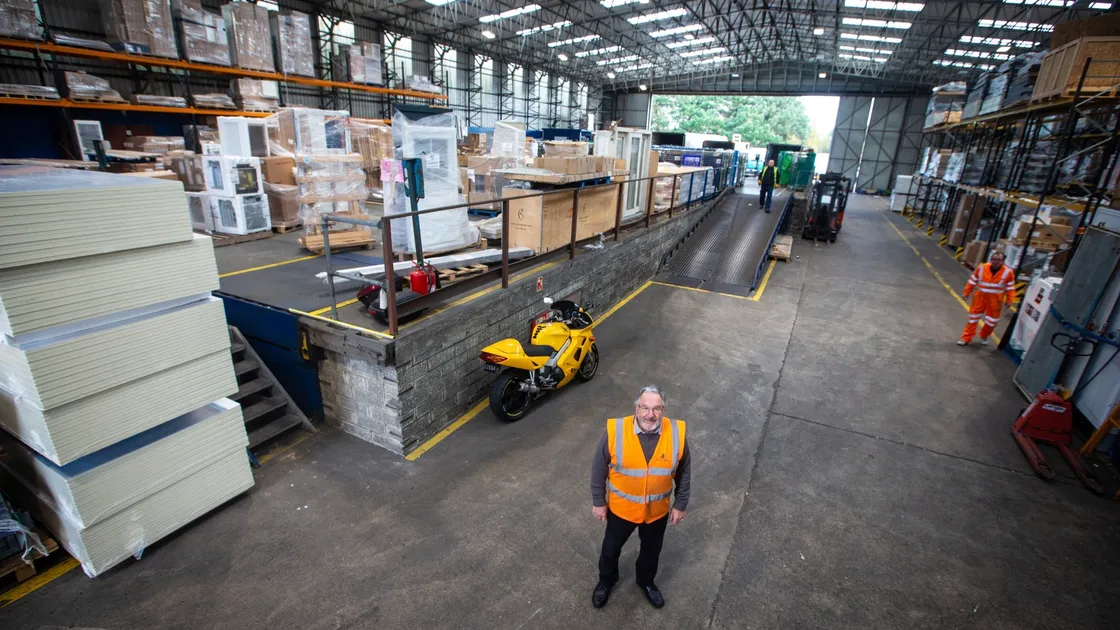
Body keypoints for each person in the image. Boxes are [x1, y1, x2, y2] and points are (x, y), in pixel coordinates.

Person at [590, 385, 690, 609]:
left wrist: (681, 504)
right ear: (636, 407)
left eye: (656, 409)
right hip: (621, 509)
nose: (649, 414)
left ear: (663, 409)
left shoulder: (676, 432)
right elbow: (598, 468)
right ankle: (606, 581)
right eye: (644, 407)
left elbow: (685, 472)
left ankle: (646, 582)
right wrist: (598, 501)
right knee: (610, 549)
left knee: (651, 551)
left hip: (657, 511)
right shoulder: (616, 430)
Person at [958, 251, 1016, 347]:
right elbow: (972, 281)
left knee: (991, 322)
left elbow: (1010, 288)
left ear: (1002, 261)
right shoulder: (982, 268)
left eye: (998, 260)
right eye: (993, 259)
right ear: (990, 259)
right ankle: (966, 339)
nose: (995, 262)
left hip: (995, 301)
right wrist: (966, 293)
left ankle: (984, 335)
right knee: (972, 319)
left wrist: (1009, 300)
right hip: (980, 298)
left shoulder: (1008, 272)